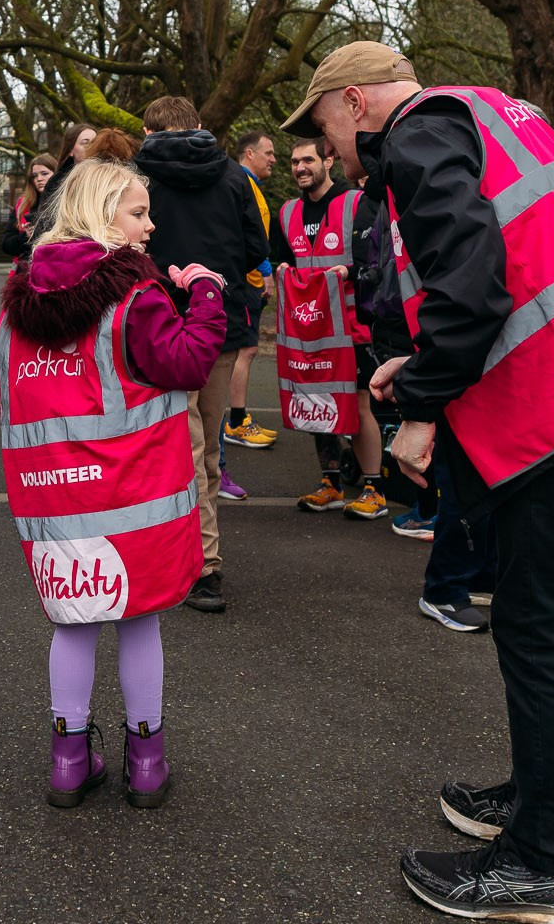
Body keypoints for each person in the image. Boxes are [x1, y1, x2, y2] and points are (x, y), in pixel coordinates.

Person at [286, 40, 554, 924]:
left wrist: (418, 388)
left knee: (538, 625)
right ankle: (542, 806)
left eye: (322, 122)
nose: (324, 145)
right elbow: (518, 257)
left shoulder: (412, 135)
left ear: (356, 99)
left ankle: (543, 859)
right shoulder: (492, 107)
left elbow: (473, 286)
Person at [0, 157, 226, 808]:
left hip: (55, 503)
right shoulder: (135, 295)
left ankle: (68, 758)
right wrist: (206, 291)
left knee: (71, 626)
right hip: (132, 502)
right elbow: (187, 362)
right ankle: (146, 761)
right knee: (138, 623)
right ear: (100, 214)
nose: (150, 225)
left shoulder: (19, 303)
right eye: (137, 212)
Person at [133, 96, 272, 614]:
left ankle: (199, 563)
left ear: (149, 130)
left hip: (157, 323)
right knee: (206, 448)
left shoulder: (136, 178)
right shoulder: (236, 178)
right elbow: (258, 246)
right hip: (219, 323)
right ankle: (202, 558)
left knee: (175, 448)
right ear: (199, 127)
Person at [273, 137, 387, 520]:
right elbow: (280, 258)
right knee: (315, 403)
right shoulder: (287, 212)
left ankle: (374, 488)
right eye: (293, 162)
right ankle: (331, 484)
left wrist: (349, 272)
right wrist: (283, 270)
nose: (299, 167)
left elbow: (380, 259)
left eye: (307, 159)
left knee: (357, 404)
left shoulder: (358, 204)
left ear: (329, 159)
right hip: (308, 331)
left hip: (353, 328)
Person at [221, 129, 279, 481]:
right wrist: (265, 271)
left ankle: (237, 418)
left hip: (250, 283)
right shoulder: (241, 185)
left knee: (247, 350)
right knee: (244, 350)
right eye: (268, 152)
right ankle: (237, 420)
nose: (274, 159)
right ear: (249, 154)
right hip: (246, 283)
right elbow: (247, 235)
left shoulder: (250, 185)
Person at [2, 154, 59, 260]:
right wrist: (25, 236)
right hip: (27, 269)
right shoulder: (23, 205)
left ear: (56, 174)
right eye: (34, 176)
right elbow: (6, 244)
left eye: (44, 173)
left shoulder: (66, 202)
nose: (39, 179)